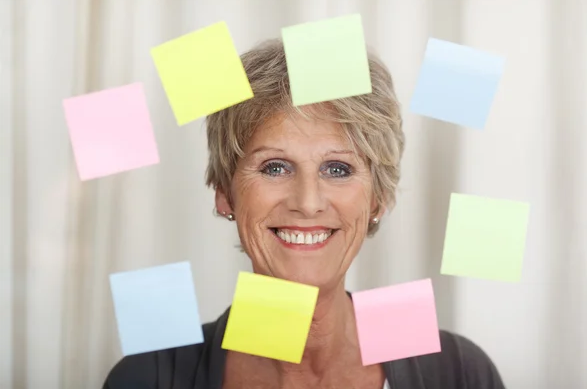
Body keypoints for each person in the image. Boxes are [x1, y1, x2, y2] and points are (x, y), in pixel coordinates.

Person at [103, 39, 505, 389]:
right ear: (225, 194)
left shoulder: (459, 371)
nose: (308, 202)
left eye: (338, 169)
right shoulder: (149, 375)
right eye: (274, 167)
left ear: (378, 199)